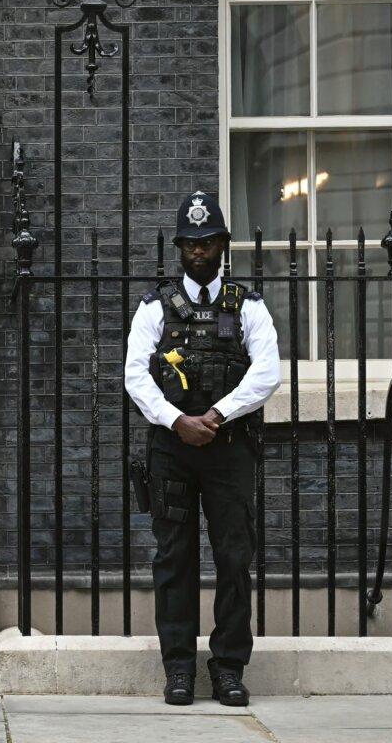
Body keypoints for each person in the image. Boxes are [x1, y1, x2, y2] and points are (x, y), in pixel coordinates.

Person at [124, 192, 281, 707]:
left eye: (207, 241)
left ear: (223, 245)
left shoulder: (249, 306)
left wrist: (214, 416)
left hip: (229, 446)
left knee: (234, 558)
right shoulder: (154, 307)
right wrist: (177, 421)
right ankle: (179, 669)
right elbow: (135, 375)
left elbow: (267, 373)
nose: (198, 250)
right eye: (190, 242)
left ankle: (230, 667)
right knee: (174, 558)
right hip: (172, 447)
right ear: (179, 246)